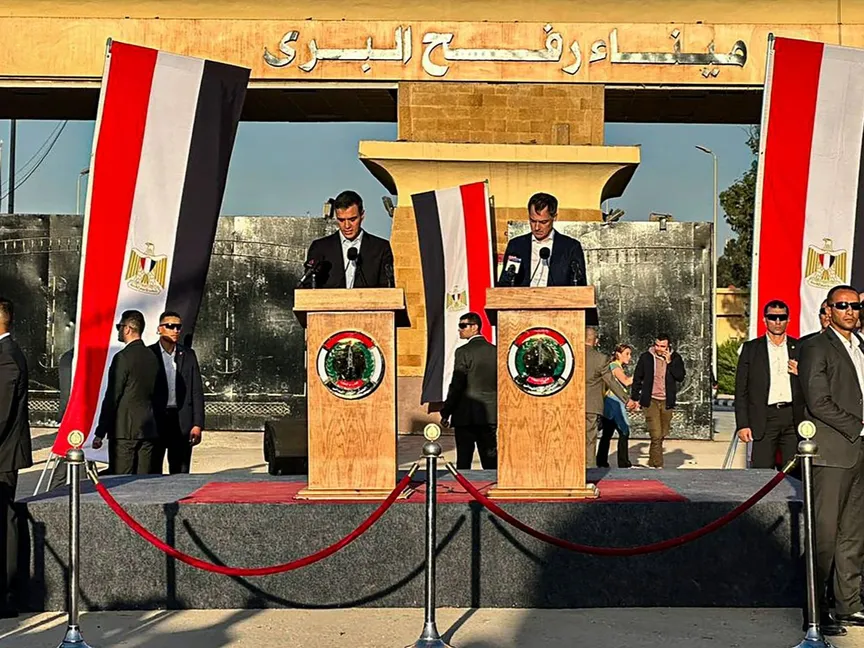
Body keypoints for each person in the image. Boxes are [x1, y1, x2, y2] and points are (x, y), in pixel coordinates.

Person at [798, 285, 864, 633]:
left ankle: (848, 604)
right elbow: (818, 401)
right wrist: (859, 427)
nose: (850, 311)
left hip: (858, 452)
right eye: (842, 305)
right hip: (832, 453)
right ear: (828, 309)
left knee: (854, 533)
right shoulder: (815, 346)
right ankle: (815, 609)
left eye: (855, 306)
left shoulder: (860, 346)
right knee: (824, 535)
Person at [734, 300, 804, 469]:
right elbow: (741, 389)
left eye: (782, 317)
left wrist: (801, 372)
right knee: (762, 471)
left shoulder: (800, 347)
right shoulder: (751, 349)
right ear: (765, 320)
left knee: (793, 472)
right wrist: (742, 424)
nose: (777, 322)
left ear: (788, 320)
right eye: (772, 317)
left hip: (792, 417)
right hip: (764, 417)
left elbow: (812, 383)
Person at [93, 310, 160, 475]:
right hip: (148, 428)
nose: (118, 330)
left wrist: (100, 431)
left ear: (128, 328)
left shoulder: (122, 358)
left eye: (119, 326)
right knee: (144, 480)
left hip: (124, 430)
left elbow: (113, 396)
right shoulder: (153, 357)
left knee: (122, 480)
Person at [0, 298, 31, 618]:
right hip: (4, 453)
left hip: (3, 455)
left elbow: (2, 413)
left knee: (4, 523)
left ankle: (5, 594)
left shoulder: (7, 356)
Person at [302, 190, 395, 289]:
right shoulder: (320, 248)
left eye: (352, 219)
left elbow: (387, 288)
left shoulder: (380, 248)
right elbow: (308, 286)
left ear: (362, 215)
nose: (347, 226)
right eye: (341, 220)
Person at [150, 311, 205, 474]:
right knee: (152, 470)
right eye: (170, 326)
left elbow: (196, 390)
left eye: (178, 327)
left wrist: (197, 424)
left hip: (181, 420)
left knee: (180, 471)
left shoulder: (188, 355)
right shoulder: (149, 354)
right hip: (156, 421)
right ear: (160, 329)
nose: (175, 330)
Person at [440, 312, 498, 469]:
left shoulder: (463, 351)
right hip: (489, 414)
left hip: (465, 414)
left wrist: (446, 411)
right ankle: (492, 484)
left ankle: (464, 485)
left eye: (463, 325)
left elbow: (457, 384)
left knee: (464, 460)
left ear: (475, 327)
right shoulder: (495, 351)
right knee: (490, 460)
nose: (460, 329)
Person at [497, 192, 586, 287]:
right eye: (533, 221)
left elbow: (580, 285)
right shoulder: (516, 246)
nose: (537, 227)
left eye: (543, 222)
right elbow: (505, 283)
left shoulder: (571, 247)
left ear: (554, 218)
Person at [629, 334, 686, 469]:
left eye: (662, 346)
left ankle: (652, 460)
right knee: (656, 434)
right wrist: (635, 398)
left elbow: (680, 377)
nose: (659, 349)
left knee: (663, 433)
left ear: (668, 346)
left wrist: (669, 362)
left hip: (667, 401)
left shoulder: (675, 358)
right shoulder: (646, 357)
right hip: (651, 400)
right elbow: (637, 378)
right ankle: (658, 465)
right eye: (657, 345)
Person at [585, 328, 629, 468]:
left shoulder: (571, 356)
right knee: (590, 439)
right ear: (596, 341)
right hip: (591, 405)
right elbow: (611, 382)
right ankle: (589, 469)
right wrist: (627, 400)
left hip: (570, 405)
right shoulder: (600, 359)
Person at [597, 343, 634, 468]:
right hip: (614, 401)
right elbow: (626, 381)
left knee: (608, 432)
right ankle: (623, 461)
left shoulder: (615, 366)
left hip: (610, 401)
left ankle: (601, 460)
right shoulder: (614, 366)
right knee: (624, 430)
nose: (629, 357)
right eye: (627, 354)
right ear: (618, 354)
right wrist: (641, 374)